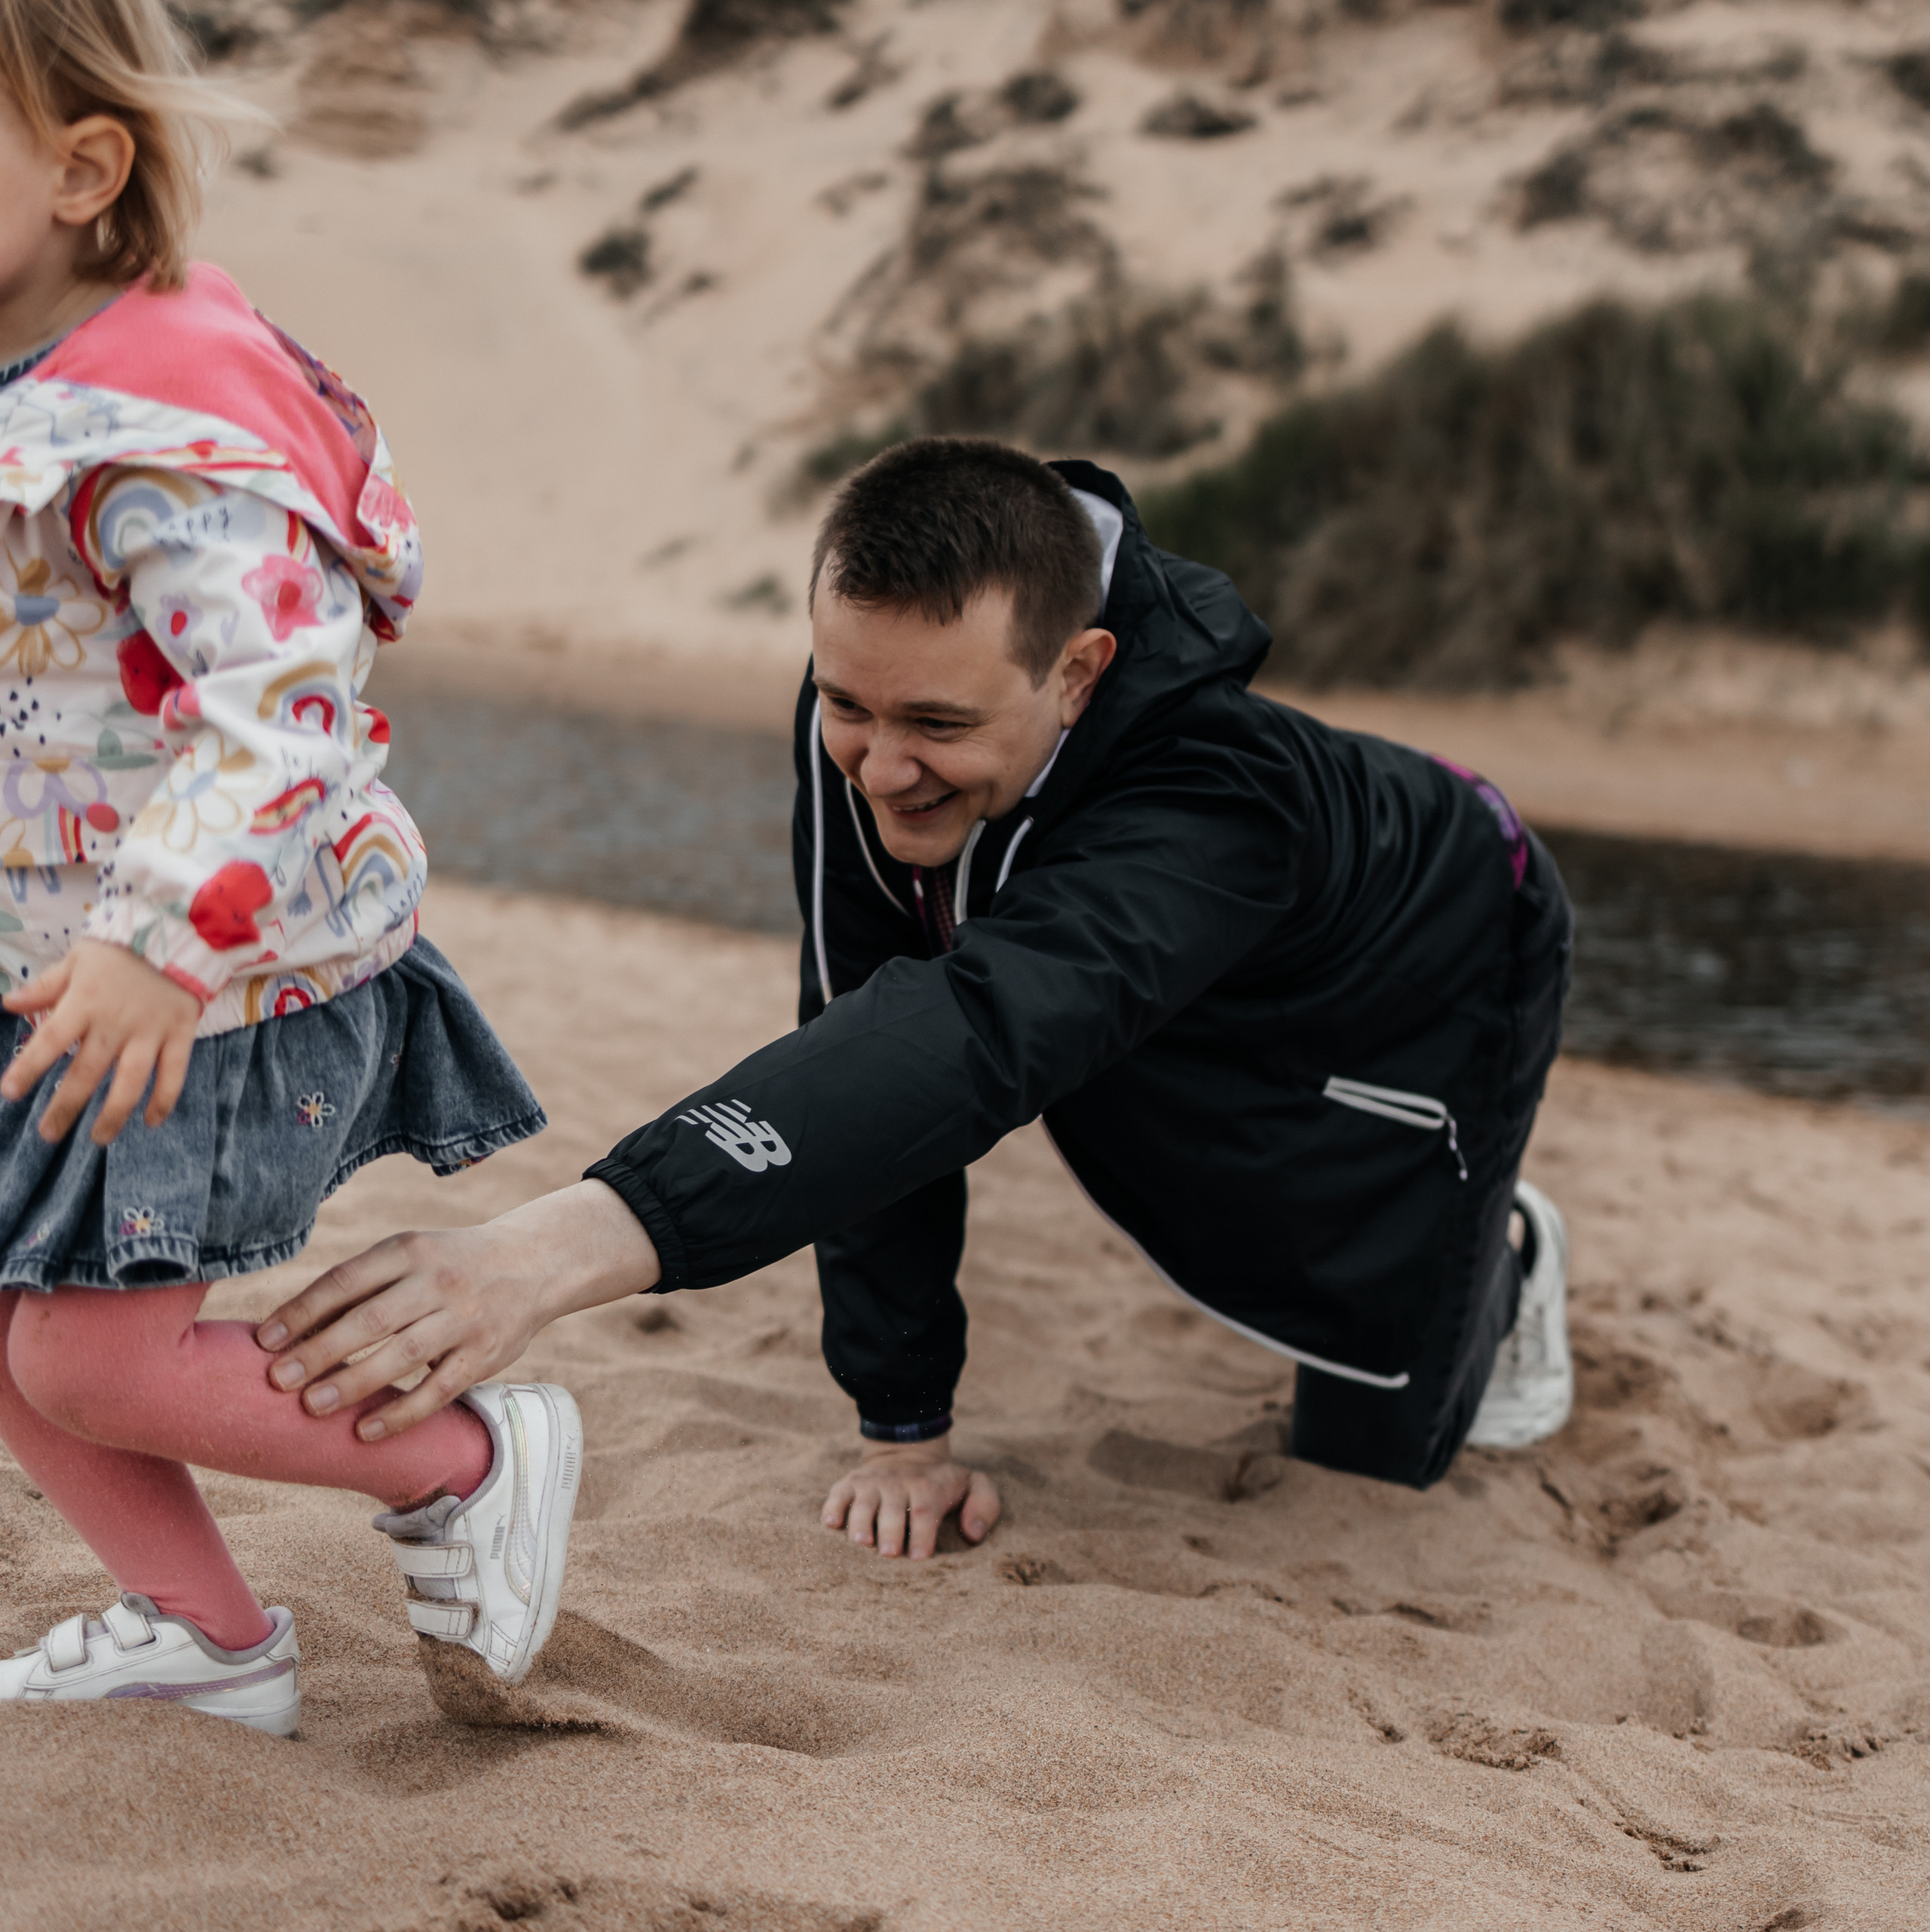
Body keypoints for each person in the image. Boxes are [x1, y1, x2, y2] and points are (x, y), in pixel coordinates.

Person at [256, 437, 1573, 1564]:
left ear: (1078, 672)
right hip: (1138, 955)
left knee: (1361, 1421)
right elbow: (871, 1026)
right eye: (847, 704)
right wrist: (904, 1427)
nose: (882, 769)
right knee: (1086, 1091)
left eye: (938, 727)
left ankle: (1503, 1261)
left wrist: (552, 1250)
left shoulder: (1219, 802)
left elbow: (971, 1037)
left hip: (1439, 954)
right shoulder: (888, 686)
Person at [0, 0, 581, 1738]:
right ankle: (204, 1633)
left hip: (215, 984)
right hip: (64, 969)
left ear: (83, 165)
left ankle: (466, 1461)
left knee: (92, 1360)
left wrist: (162, 945)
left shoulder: (160, 427)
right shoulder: (26, 389)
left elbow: (281, 707)